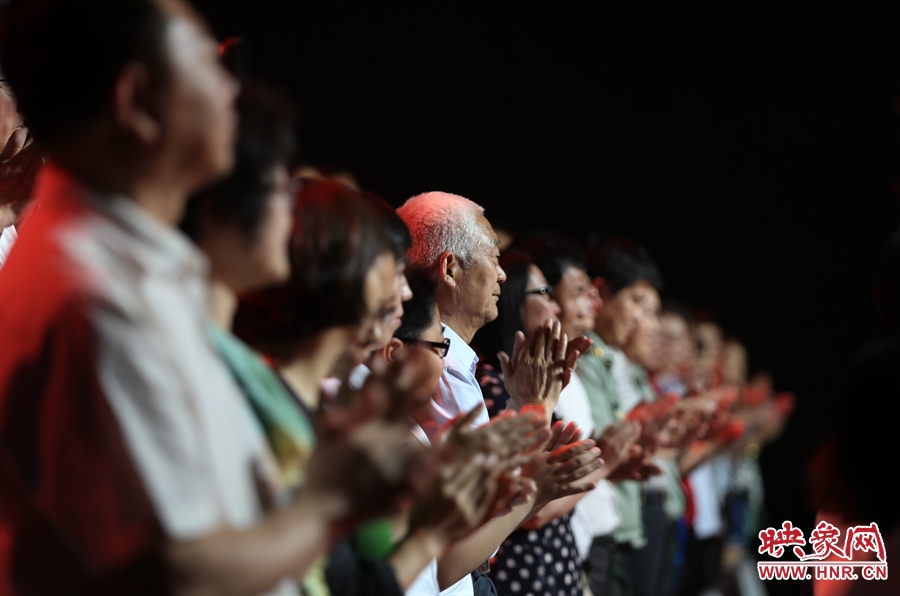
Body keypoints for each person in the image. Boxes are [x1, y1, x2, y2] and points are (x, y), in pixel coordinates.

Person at [0, 2, 416, 594]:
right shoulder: (96, 293)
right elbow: (181, 571)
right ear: (137, 101)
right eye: (203, 62)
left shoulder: (140, 275)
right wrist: (327, 497)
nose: (231, 89)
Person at [398, 192, 597, 596]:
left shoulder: (454, 363)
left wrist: (527, 406)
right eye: (493, 257)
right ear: (450, 268)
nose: (503, 275)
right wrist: (535, 417)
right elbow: (462, 531)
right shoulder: (433, 369)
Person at [472, 250, 599, 596]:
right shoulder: (489, 385)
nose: (556, 306)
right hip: (525, 570)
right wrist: (599, 466)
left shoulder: (521, 384)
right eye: (544, 293)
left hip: (551, 565)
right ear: (514, 300)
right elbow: (524, 502)